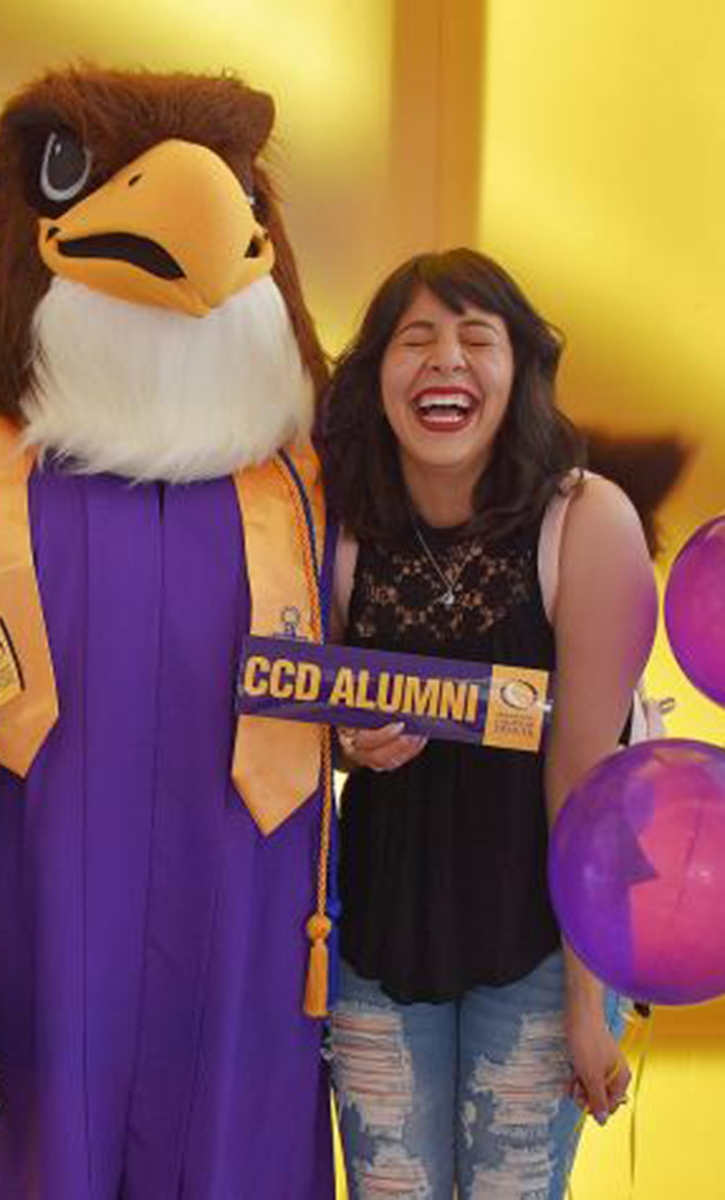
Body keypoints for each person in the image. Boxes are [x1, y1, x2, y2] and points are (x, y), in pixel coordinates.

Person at [319, 248, 656, 1199]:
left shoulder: (585, 520)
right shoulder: (339, 530)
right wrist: (343, 744)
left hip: (542, 947)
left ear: (520, 371)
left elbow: (584, 783)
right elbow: (299, 715)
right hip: (378, 944)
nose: (446, 362)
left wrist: (591, 1005)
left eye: (477, 339)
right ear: (377, 373)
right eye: (414, 339)